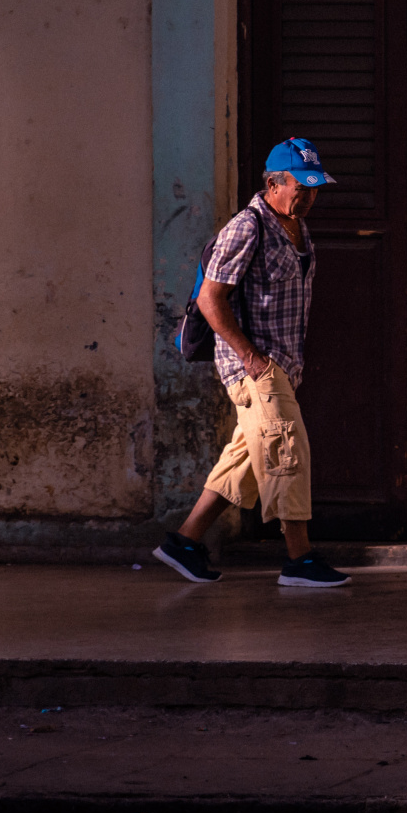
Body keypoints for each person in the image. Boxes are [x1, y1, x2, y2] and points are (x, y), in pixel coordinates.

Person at [152, 137, 351, 589]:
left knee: (245, 459)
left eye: (315, 188)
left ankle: (184, 542)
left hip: (282, 366)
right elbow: (210, 299)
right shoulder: (247, 227)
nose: (309, 197)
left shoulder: (297, 227)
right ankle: (299, 560)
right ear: (273, 184)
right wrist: (250, 358)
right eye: (301, 187)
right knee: (287, 452)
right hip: (255, 368)